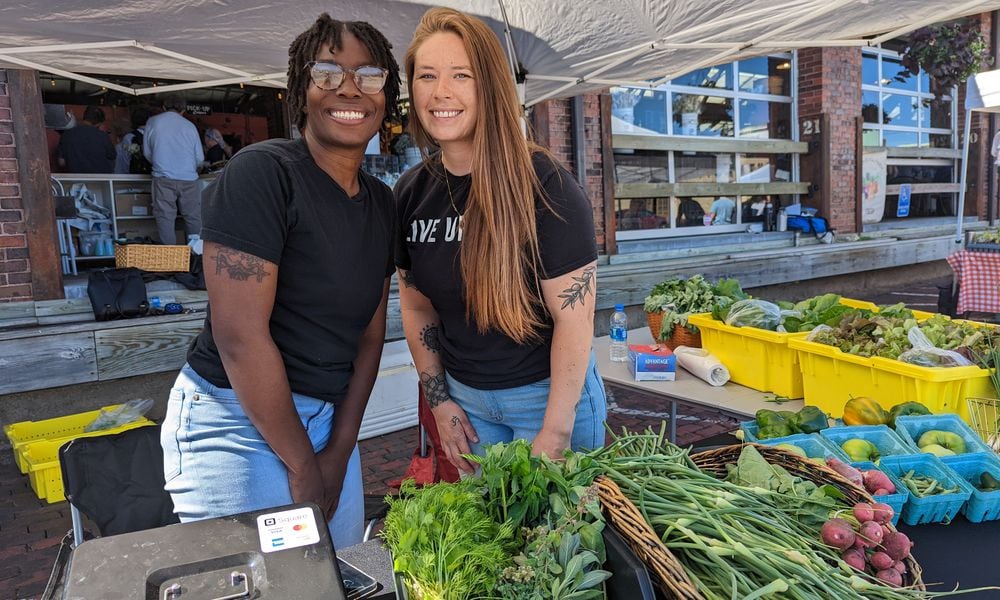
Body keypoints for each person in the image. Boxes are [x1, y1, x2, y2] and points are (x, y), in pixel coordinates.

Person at [160, 14, 400, 550]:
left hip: (326, 421)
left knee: (340, 576)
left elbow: (368, 335)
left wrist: (339, 449)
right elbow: (240, 338)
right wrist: (303, 465)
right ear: (300, 91)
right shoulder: (263, 173)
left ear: (388, 96)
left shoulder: (382, 203)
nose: (348, 89)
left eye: (369, 75)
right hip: (234, 422)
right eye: (326, 72)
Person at [395, 7, 607, 474]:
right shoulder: (411, 192)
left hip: (546, 399)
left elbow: (576, 318)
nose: (440, 92)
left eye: (460, 75)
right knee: (493, 539)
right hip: (466, 406)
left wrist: (555, 430)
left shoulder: (545, 183)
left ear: (489, 85)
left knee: (558, 544)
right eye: (426, 75)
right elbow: (416, 307)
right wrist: (440, 402)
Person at [143, 94, 205, 244]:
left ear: (164, 107)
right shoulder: (190, 126)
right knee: (193, 218)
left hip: (163, 177)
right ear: (183, 110)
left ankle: (171, 260)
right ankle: (197, 256)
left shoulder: (153, 122)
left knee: (165, 218)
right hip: (189, 178)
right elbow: (200, 158)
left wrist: (161, 163)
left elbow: (147, 152)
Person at [55, 106, 115, 173]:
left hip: (76, 180)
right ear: (99, 123)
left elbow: (61, 162)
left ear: (84, 117)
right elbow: (112, 156)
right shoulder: (103, 136)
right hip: (101, 180)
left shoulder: (67, 134)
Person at [114, 106, 152, 175]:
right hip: (153, 175)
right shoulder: (154, 136)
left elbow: (125, 161)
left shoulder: (129, 137)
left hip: (135, 176)